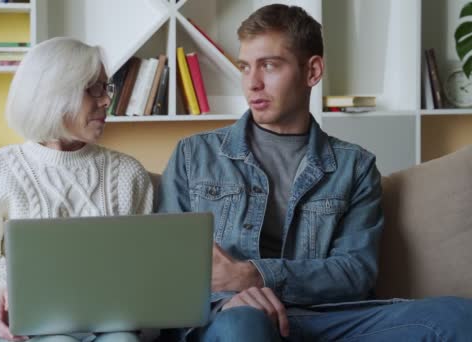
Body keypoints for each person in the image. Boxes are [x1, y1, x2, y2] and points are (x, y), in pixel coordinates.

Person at [158, 4, 472, 341]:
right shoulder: (194, 155)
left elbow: (354, 272)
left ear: (312, 71)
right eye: (245, 67)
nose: (253, 83)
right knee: (244, 325)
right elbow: (169, 268)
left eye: (269, 65)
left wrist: (254, 275)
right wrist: (232, 298)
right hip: (231, 317)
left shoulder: (355, 166)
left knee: (458, 316)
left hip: (324, 319)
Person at [0, 37, 154, 342]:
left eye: (106, 87)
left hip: (107, 326)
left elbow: (146, 273)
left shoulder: (129, 174)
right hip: (27, 330)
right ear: (54, 95)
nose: (106, 100)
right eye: (93, 88)